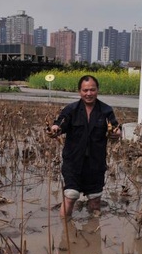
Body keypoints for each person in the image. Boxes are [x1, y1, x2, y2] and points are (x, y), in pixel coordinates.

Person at [49, 75, 121, 217]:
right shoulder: (71, 110)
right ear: (79, 92)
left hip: (96, 163)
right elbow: (59, 124)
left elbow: (115, 127)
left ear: (97, 90)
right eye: (85, 90)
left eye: (92, 90)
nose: (89, 94)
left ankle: (93, 232)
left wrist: (117, 133)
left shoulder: (106, 111)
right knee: (70, 196)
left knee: (95, 200)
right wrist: (55, 129)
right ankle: (65, 232)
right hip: (73, 161)